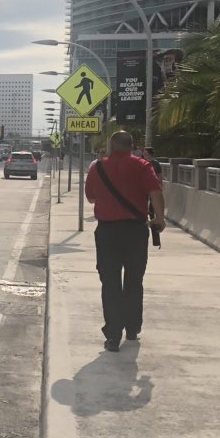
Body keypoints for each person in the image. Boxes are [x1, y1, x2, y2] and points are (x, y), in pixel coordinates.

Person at [84, 131, 166, 352]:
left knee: (110, 283)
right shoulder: (142, 166)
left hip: (107, 232)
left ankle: (113, 335)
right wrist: (159, 218)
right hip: (135, 232)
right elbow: (155, 192)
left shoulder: (97, 168)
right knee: (134, 281)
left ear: (111, 147)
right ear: (133, 147)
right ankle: (132, 328)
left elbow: (90, 197)